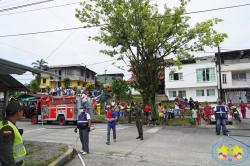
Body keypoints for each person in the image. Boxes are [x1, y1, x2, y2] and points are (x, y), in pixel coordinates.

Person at [0, 101, 26, 166]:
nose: (23, 112)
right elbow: (6, 155)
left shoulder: (9, 124)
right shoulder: (7, 128)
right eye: (22, 110)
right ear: (18, 112)